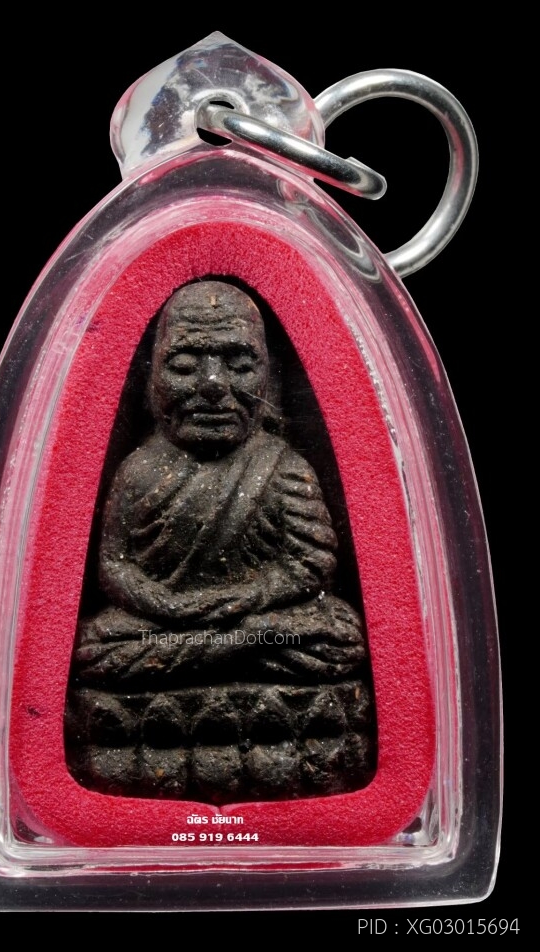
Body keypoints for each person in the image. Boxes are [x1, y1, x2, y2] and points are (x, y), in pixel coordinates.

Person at [66, 281, 374, 802]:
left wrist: (236, 601)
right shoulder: (138, 472)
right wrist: (164, 603)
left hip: (256, 631)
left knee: (338, 636)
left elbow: (311, 564)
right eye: (186, 365)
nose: (212, 384)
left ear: (268, 377)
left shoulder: (282, 466)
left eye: (239, 364)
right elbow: (114, 567)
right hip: (166, 631)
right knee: (95, 647)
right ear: (153, 379)